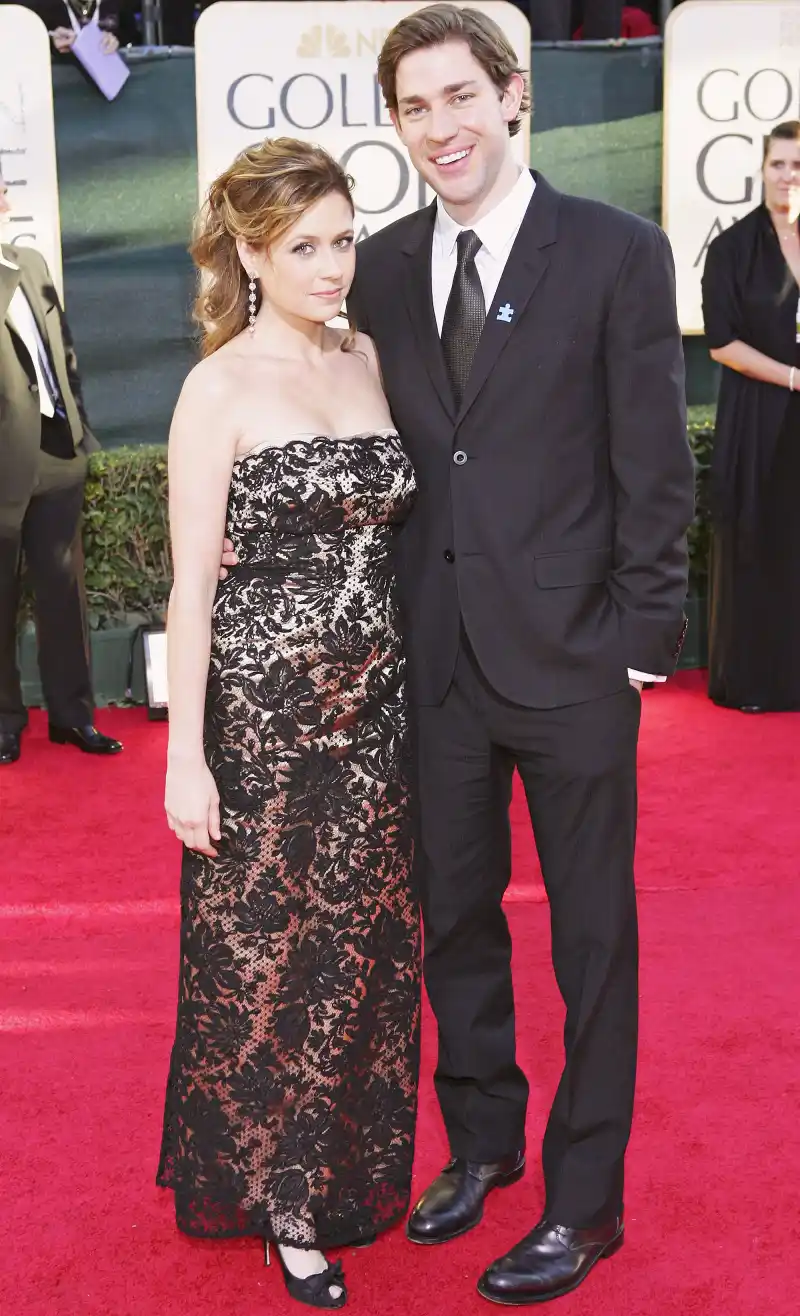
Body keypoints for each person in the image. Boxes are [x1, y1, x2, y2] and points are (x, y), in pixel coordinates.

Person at [342, 5, 693, 1305]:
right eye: (413, 107)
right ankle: (482, 1143)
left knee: (594, 943)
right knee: (456, 925)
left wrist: (641, 649)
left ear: (513, 97)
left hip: (577, 666)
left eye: (457, 98)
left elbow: (653, 467)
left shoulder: (617, 253)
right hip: (435, 667)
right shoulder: (379, 269)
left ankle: (585, 1206)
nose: (440, 128)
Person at [158, 138, 420, 1310]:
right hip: (262, 716)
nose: (332, 265)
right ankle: (284, 1200)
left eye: (344, 237)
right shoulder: (217, 385)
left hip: (377, 705)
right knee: (259, 954)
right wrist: (183, 757)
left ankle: (335, 1164)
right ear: (251, 254)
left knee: (356, 944)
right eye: (303, 245)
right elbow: (188, 587)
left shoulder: (367, 354)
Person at [0, 162, 123, 764]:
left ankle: (72, 716)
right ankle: (4, 721)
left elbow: (62, 350)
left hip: (57, 451)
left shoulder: (29, 265)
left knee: (62, 592)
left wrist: (77, 425)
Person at [701, 119, 800, 713]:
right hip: (762, 418)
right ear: (761, 170)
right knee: (759, 543)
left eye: (798, 166)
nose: (788, 176)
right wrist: (793, 378)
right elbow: (720, 342)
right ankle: (758, 682)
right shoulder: (733, 247)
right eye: (779, 165)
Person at [21, 1, 122, 56]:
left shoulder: (119, 4)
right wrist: (48, 42)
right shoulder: (30, 7)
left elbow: (132, 39)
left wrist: (116, 41)